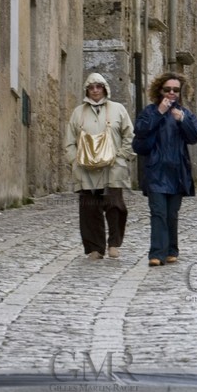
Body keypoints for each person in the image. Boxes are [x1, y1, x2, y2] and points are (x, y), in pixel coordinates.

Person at [132, 73, 197, 266]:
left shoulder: (184, 113)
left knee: (171, 214)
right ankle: (156, 254)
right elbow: (140, 130)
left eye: (176, 90)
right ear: (159, 91)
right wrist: (159, 113)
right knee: (158, 212)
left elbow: (195, 136)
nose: (171, 93)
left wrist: (182, 120)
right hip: (156, 171)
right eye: (167, 89)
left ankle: (171, 250)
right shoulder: (150, 111)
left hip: (177, 172)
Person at [64, 72, 134, 259]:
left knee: (115, 206)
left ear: (105, 88)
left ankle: (114, 244)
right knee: (90, 209)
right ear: (87, 89)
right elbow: (69, 141)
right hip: (85, 170)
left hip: (113, 168)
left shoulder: (118, 109)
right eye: (91, 87)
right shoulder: (78, 113)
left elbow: (129, 135)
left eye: (99, 86)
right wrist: (75, 161)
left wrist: (121, 157)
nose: (95, 90)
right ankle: (95, 248)